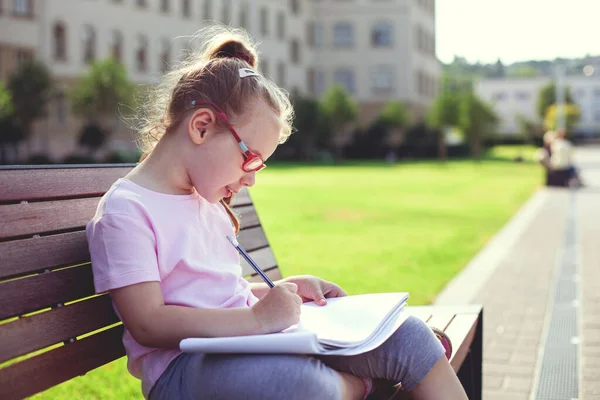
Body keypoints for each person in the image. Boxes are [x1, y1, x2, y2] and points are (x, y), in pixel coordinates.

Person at [86, 26, 468, 400]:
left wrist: (284, 291)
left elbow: (219, 294)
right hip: (186, 370)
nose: (250, 181)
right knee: (294, 384)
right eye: (250, 160)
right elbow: (148, 323)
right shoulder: (127, 211)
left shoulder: (206, 200)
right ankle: (367, 386)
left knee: (411, 335)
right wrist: (255, 320)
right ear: (202, 127)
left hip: (250, 345)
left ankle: (364, 379)